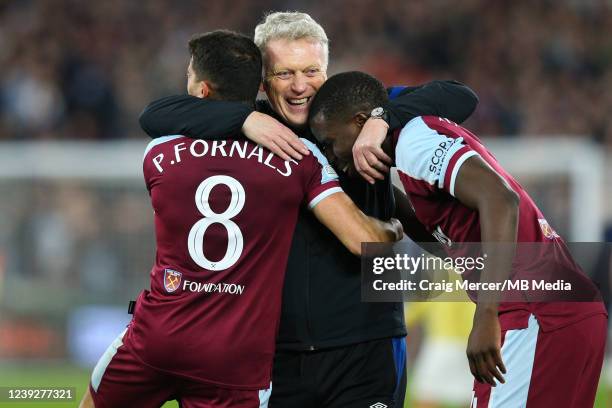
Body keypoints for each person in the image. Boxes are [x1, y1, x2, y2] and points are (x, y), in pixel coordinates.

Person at [139, 12, 479, 407]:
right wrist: (246, 119)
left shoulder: (360, 110)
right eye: (285, 74)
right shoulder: (246, 127)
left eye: (311, 70)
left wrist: (382, 120)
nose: (301, 86)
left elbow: (460, 96)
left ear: (327, 69)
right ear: (263, 80)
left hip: (366, 346)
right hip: (276, 353)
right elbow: (155, 115)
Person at [80, 32, 403, 408]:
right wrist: (392, 226)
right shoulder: (298, 158)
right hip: (234, 357)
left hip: (159, 334)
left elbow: (156, 116)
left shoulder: (160, 152)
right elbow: (364, 241)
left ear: (202, 90)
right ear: (260, 87)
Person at [308, 70, 608, 407]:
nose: (333, 157)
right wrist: (386, 200)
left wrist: (486, 314)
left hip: (533, 311)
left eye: (332, 143)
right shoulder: (411, 150)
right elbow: (448, 243)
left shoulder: (414, 140)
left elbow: (500, 199)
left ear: (361, 121)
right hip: (564, 309)